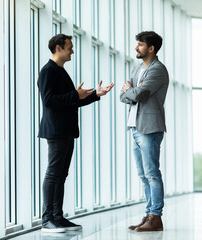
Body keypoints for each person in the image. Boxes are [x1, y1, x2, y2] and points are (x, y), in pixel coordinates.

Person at [38, 34, 114, 233]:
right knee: (54, 173)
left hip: (66, 129)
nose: (72, 51)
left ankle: (57, 216)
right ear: (57, 48)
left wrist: (95, 94)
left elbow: (71, 100)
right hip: (56, 130)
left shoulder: (61, 71)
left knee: (61, 174)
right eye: (69, 47)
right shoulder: (47, 71)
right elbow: (49, 101)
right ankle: (47, 219)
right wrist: (74, 95)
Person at [120, 31, 169, 232]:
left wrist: (129, 91)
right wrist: (129, 92)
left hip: (149, 128)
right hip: (135, 126)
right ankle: (149, 214)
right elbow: (123, 96)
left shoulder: (158, 70)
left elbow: (138, 94)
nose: (136, 48)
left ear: (151, 48)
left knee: (152, 173)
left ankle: (156, 216)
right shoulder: (137, 68)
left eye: (140, 44)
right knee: (143, 175)